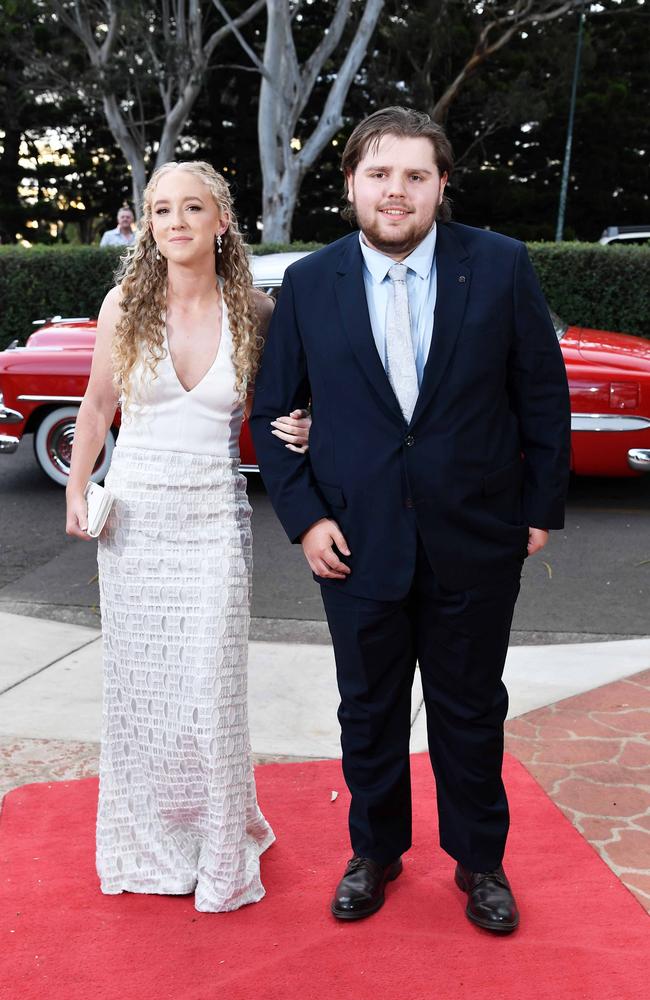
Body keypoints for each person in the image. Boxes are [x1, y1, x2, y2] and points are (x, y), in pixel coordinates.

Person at [250, 107, 570, 933]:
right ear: (352, 180)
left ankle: (481, 864)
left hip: (477, 540)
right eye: (381, 174)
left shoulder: (498, 266)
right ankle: (375, 851)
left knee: (470, 710)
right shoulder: (312, 282)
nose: (397, 192)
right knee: (369, 712)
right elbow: (273, 411)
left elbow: (542, 395)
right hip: (354, 543)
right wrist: (305, 520)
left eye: (416, 176)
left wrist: (538, 513)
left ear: (441, 186)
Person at [66, 161, 309, 912]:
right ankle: (150, 836)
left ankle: (218, 836)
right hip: (136, 523)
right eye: (161, 209)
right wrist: (78, 487)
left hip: (211, 518)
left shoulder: (257, 312)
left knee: (211, 690)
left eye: (192, 208)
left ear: (221, 222)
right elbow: (97, 405)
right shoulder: (123, 304)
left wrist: (302, 425)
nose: (174, 222)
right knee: (143, 693)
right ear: (147, 225)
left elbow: (279, 410)